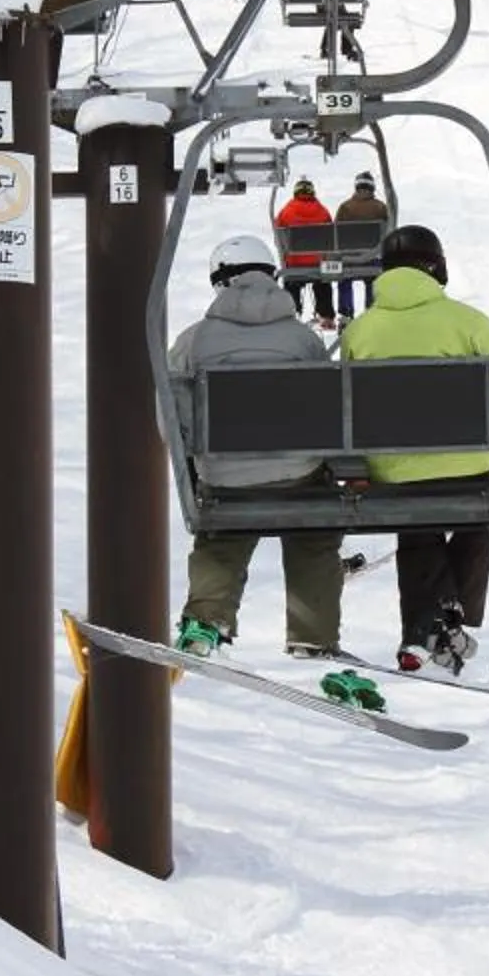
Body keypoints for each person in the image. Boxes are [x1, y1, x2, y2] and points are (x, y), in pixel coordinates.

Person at [339, 223, 489, 688]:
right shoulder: (470, 322)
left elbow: (345, 404)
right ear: (437, 267)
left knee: (418, 522)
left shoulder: (360, 330)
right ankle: (448, 617)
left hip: (393, 468)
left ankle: (425, 628)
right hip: (467, 463)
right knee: (483, 508)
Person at [167, 234, 345, 659]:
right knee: (314, 537)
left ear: (221, 281)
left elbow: (171, 414)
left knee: (222, 537)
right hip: (298, 474)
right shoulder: (303, 339)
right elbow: (328, 407)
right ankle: (312, 635)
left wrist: (197, 461)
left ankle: (207, 619)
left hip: (225, 477)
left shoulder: (194, 341)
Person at [272, 176, 337, 328]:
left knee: (291, 283)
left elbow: (279, 240)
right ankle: (326, 315)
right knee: (323, 283)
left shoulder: (286, 212)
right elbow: (331, 238)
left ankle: (291, 313)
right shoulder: (323, 211)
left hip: (294, 264)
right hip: (318, 264)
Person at [331, 171, 390, 320]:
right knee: (373, 279)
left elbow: (335, 234)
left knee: (344, 279)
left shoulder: (345, 207)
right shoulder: (380, 207)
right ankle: (372, 311)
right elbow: (388, 233)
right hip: (372, 259)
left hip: (349, 260)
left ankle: (346, 313)